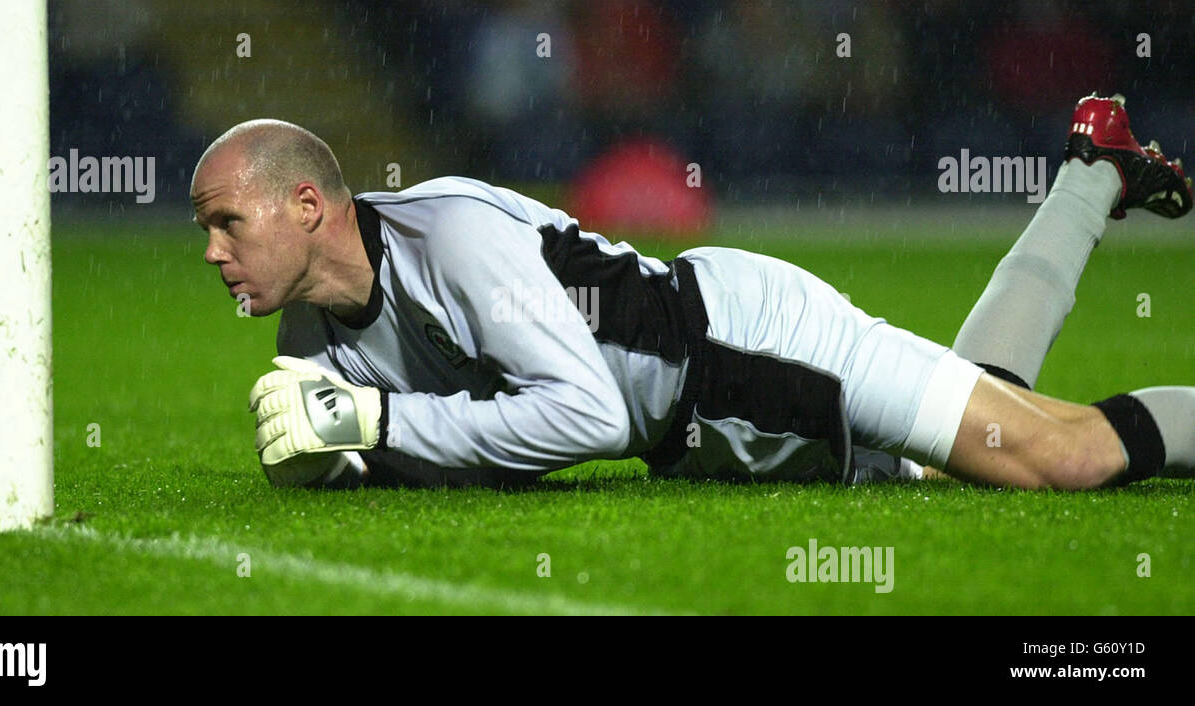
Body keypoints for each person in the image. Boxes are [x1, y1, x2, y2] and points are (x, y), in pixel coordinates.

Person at [188, 94, 1193, 491]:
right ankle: (1091, 169)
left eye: (226, 222)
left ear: (309, 205)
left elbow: (578, 413)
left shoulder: (448, 238)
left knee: (1056, 457)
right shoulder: (313, 331)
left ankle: (1089, 174)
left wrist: (376, 419)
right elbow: (360, 460)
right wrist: (324, 450)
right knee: (978, 424)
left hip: (748, 343)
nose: (212, 252)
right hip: (708, 426)